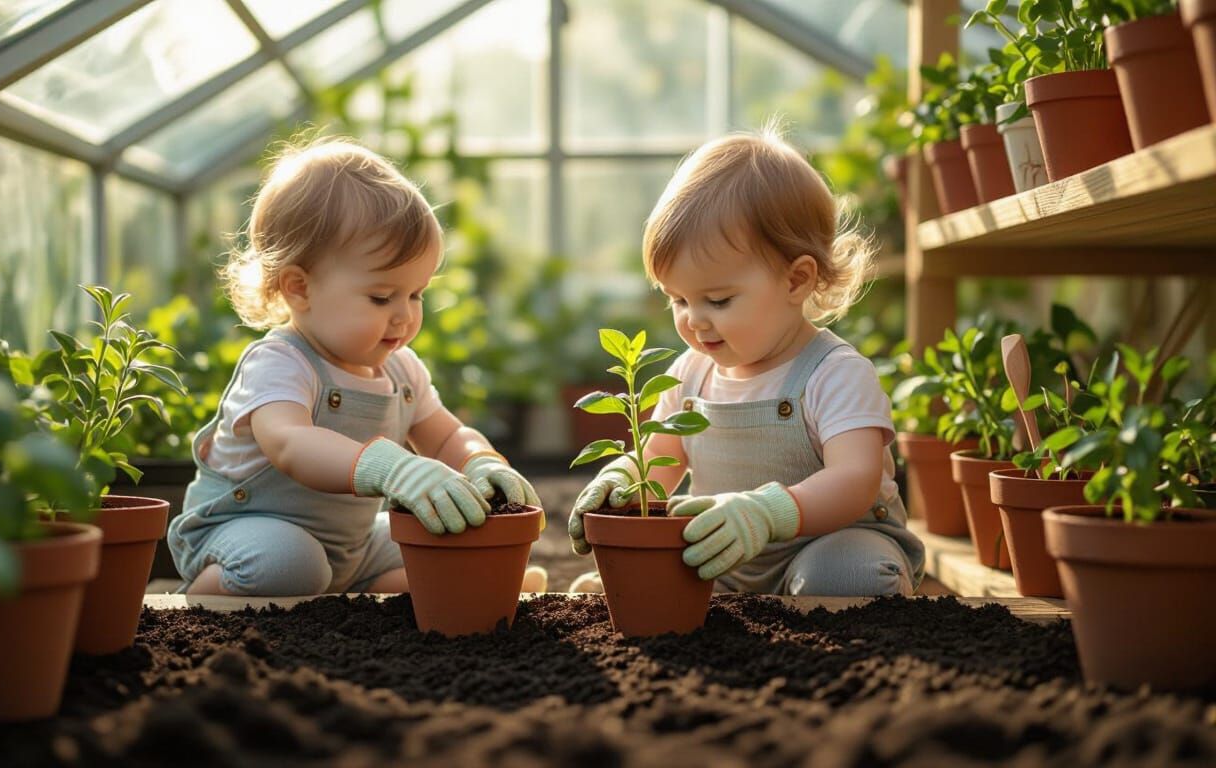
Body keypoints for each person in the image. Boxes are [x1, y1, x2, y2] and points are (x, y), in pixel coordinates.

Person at [169, 137, 545, 596]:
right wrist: (389, 467)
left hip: (352, 545)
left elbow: (445, 436)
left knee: (451, 529)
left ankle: (410, 584)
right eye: (382, 297)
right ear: (299, 288)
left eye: (416, 294)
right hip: (244, 531)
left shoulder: (401, 370)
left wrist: (480, 461)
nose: (405, 314)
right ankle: (196, 597)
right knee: (289, 563)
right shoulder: (281, 362)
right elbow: (291, 443)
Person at [568, 127, 924, 596]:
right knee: (655, 573)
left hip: (828, 543)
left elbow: (855, 480)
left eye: (717, 300)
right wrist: (622, 479)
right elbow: (660, 459)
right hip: (721, 556)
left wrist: (766, 512)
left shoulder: (834, 372)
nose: (693, 321)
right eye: (678, 300)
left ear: (796, 280)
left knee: (847, 577)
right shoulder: (690, 373)